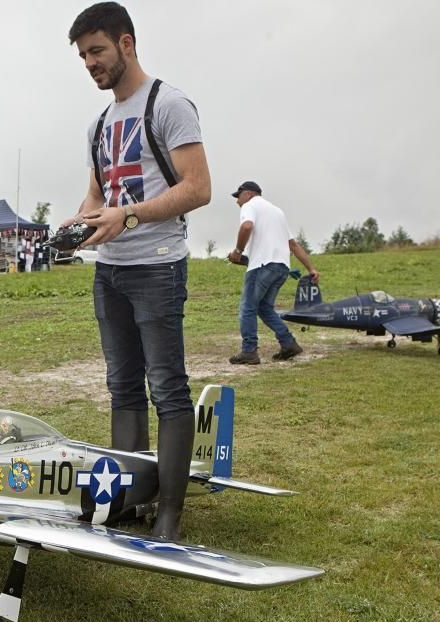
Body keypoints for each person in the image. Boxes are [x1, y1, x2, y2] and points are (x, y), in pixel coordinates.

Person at [62, 2, 211, 541]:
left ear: (126, 44)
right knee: (122, 388)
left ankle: (169, 511)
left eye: (97, 51)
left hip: (157, 267)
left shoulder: (170, 105)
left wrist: (128, 216)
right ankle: (125, 502)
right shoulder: (99, 124)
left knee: (167, 387)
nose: (90, 64)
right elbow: (100, 192)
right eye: (82, 56)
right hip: (111, 272)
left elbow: (198, 188)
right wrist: (79, 220)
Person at [227, 181, 320, 364]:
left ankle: (249, 351)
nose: (237, 201)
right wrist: (311, 268)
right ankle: (288, 344)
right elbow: (293, 244)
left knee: (247, 308)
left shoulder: (249, 206)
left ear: (249, 194)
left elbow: (246, 226)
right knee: (264, 308)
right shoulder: (277, 212)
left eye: (238, 196)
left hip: (262, 266)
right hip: (281, 268)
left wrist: (237, 251)